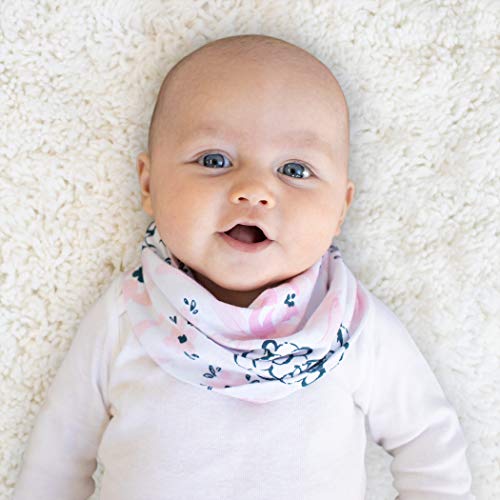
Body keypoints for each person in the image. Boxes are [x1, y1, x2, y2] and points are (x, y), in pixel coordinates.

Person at [12, 34, 475, 500]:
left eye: (295, 170)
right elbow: (57, 459)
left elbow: (430, 448)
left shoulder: (351, 326)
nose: (253, 190)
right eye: (215, 160)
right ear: (149, 185)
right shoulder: (128, 314)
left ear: (341, 208)